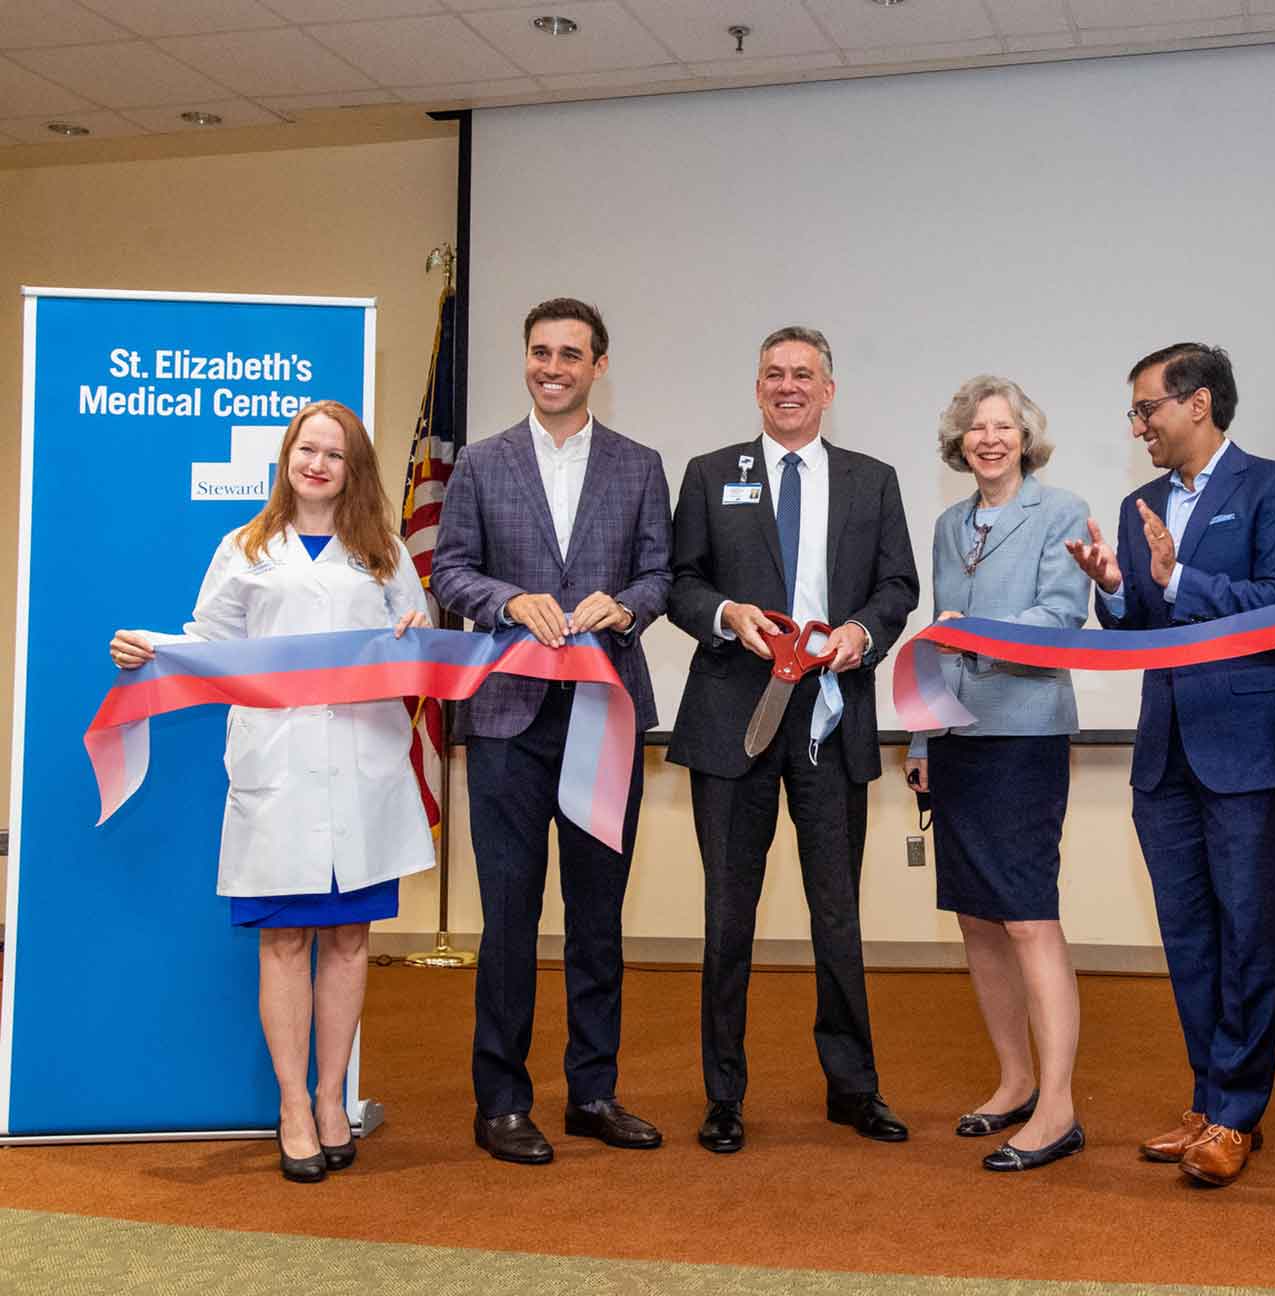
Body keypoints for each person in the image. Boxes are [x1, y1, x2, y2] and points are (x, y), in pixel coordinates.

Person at [109, 400, 435, 1183]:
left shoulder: (384, 549)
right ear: (287, 457)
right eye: (306, 450)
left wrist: (413, 636)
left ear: (354, 469)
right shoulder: (245, 547)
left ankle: (332, 1098)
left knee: (349, 939)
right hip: (279, 771)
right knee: (284, 941)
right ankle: (292, 1105)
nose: (318, 464)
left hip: (360, 767)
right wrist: (147, 649)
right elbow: (209, 646)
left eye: (335, 454)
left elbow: (418, 643)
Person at [1066, 343, 1275, 1187]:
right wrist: (1114, 588)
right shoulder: (1139, 504)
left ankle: (1238, 1114)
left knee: (1247, 933)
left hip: (1248, 746)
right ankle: (1210, 1099)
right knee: (1188, 935)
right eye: (1135, 413)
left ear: (1198, 403)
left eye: (1147, 409)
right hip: (1165, 751)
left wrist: (1180, 580)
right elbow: (1142, 629)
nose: (1137, 427)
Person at [431, 297, 672, 1166]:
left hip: (605, 714)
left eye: (571, 354)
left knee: (598, 915)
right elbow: (450, 570)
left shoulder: (640, 465)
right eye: (540, 352)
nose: (553, 367)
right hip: (507, 718)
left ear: (598, 366)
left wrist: (627, 607)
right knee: (509, 914)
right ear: (525, 360)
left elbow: (660, 575)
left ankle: (593, 1093)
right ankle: (501, 1103)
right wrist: (507, 602)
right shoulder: (481, 463)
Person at [667, 325, 919, 1154]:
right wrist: (723, 614)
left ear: (828, 390)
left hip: (830, 720)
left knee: (837, 914)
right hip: (731, 720)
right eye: (773, 373)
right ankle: (723, 1097)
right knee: (727, 916)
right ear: (757, 388)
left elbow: (898, 585)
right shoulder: (711, 474)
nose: (787, 386)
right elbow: (680, 582)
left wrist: (860, 632)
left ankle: (854, 1088)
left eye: (803, 374)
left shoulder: (873, 480)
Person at [904, 375, 1091, 1171]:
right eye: (976, 428)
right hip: (956, 738)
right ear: (960, 441)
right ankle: (1014, 1082)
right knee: (977, 919)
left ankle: (1058, 1108)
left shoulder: (1061, 511)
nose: (989, 439)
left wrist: (974, 630)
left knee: (1027, 917)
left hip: (1024, 737)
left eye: (1003, 426)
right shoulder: (949, 524)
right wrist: (921, 742)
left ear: (1025, 438)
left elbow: (1061, 618)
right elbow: (935, 638)